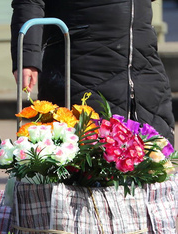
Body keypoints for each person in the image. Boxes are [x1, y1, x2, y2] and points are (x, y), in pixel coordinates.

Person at [11, 0, 175, 144]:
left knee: (152, 161)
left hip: (142, 69)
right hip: (81, 66)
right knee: (84, 163)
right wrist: (27, 57)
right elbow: (29, 2)